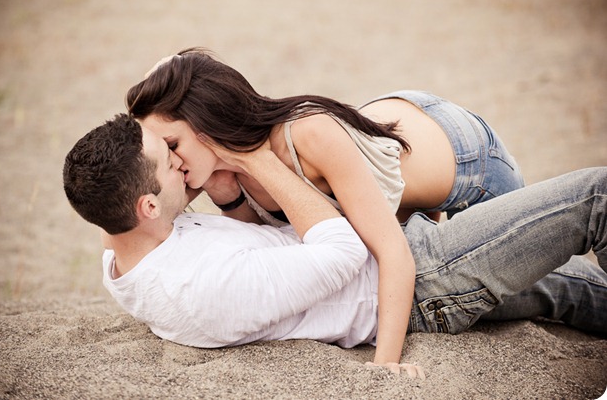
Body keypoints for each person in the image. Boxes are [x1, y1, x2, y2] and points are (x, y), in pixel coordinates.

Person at [63, 114, 607, 380]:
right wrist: (257, 163)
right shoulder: (200, 291)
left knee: (575, 294)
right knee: (595, 197)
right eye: (169, 162)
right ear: (148, 207)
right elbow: (343, 253)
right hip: (427, 279)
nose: (184, 164)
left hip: (411, 264)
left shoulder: (125, 251)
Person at [125, 47, 524, 367]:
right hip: (398, 153)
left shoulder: (308, 135)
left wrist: (386, 365)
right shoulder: (220, 173)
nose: (171, 161)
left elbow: (393, 253)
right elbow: (277, 242)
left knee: (540, 267)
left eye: (172, 145)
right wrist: (225, 195)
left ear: (206, 125)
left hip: (466, 157)